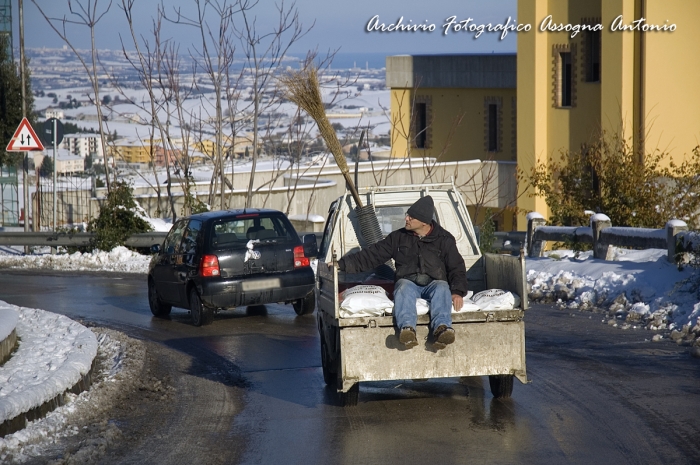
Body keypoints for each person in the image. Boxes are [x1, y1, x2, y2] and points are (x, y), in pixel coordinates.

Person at [338, 195, 468, 349]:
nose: (406, 218)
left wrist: (457, 291)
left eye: (411, 217)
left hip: (434, 283)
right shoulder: (398, 238)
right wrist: (341, 264)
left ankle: (442, 329)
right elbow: (372, 255)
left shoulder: (445, 239)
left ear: (424, 222)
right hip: (408, 282)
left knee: (442, 288)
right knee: (403, 288)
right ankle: (407, 329)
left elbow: (457, 267)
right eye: (407, 214)